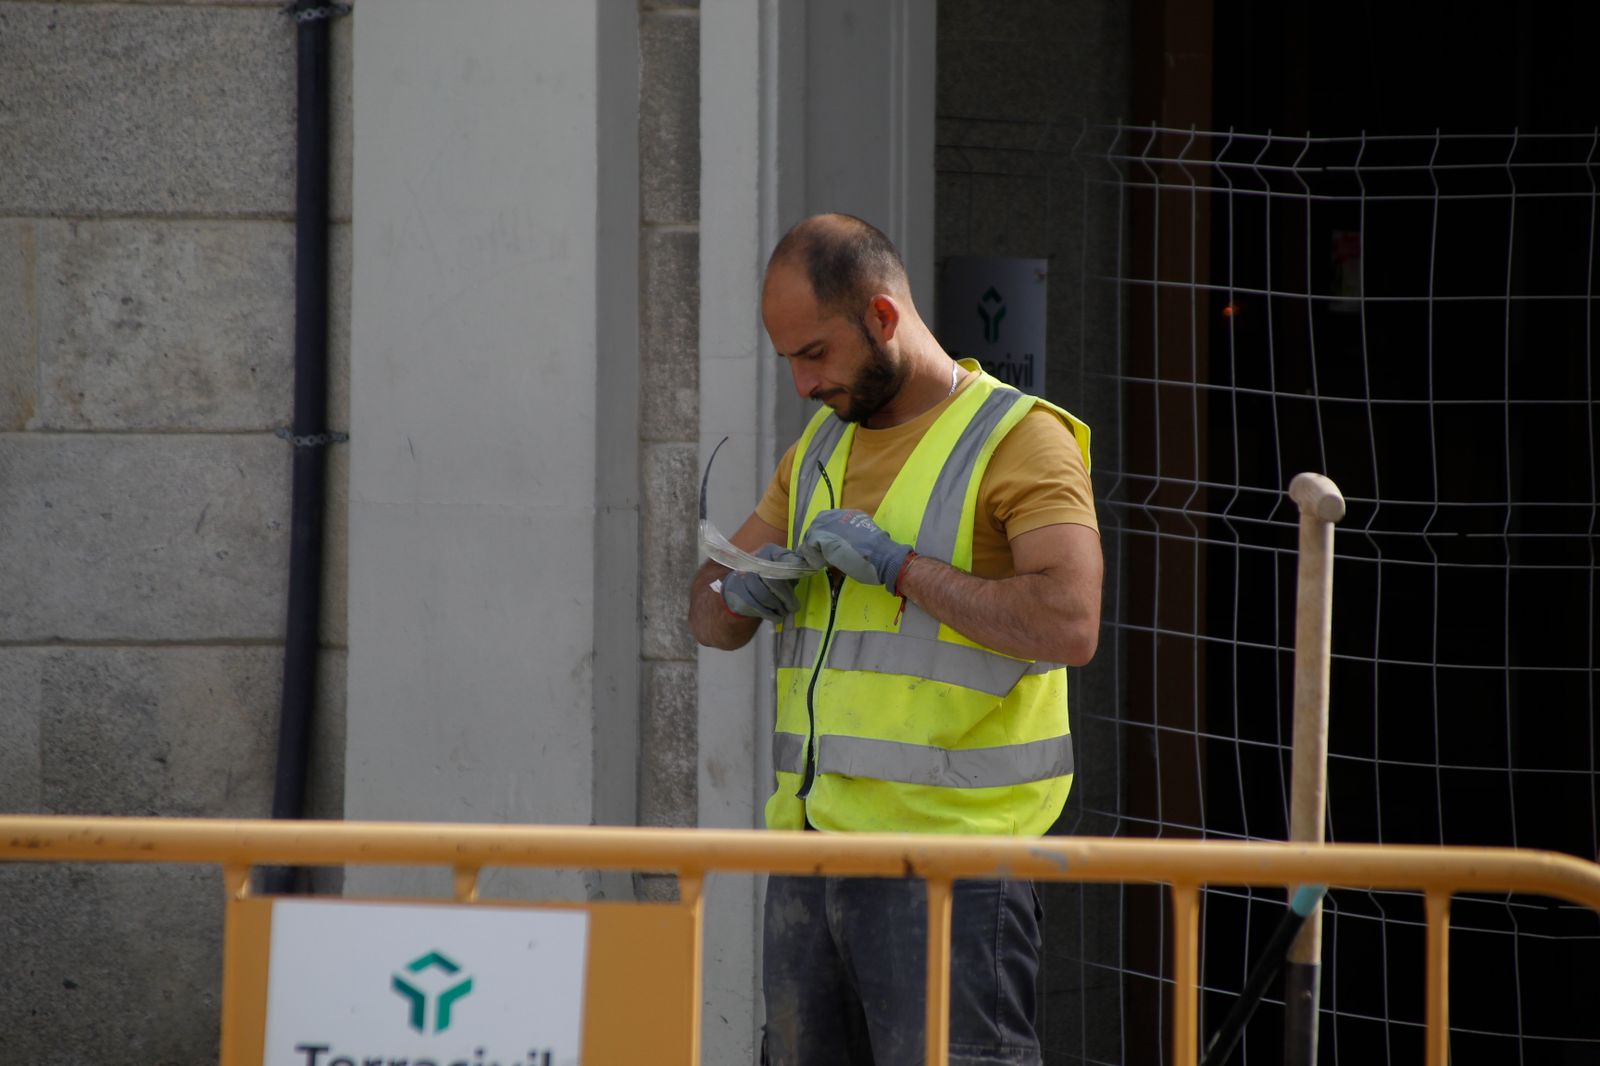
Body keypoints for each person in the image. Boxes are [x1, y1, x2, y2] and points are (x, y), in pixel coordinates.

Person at [687, 213, 1102, 1066]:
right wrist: (739, 590)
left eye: (815, 354)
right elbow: (706, 619)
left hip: (953, 873)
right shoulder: (817, 451)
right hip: (810, 861)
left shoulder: (1021, 440)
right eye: (790, 359)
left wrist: (901, 569)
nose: (803, 384)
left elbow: (1069, 621)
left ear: (882, 318)